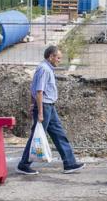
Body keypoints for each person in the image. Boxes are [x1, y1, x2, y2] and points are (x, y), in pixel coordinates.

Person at [17, 45, 85, 175]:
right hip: (45, 107)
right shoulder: (44, 69)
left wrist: (33, 105)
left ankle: (69, 163)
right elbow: (39, 91)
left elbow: (35, 88)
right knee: (35, 136)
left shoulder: (46, 68)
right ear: (51, 56)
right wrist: (40, 112)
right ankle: (23, 165)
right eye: (58, 58)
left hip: (49, 106)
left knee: (59, 134)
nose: (59, 60)